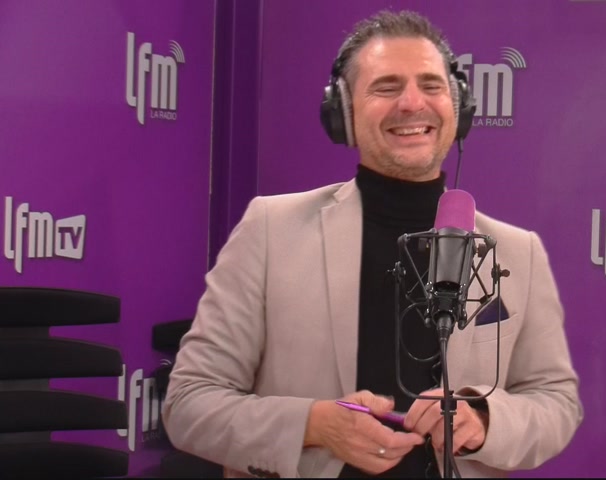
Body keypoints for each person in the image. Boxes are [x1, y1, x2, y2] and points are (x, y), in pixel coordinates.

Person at [162, 9, 582, 478]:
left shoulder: (517, 251)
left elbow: (556, 403)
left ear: (458, 105)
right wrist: (314, 426)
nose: (412, 103)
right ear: (343, 113)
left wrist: (485, 420)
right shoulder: (270, 231)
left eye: (431, 85)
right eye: (386, 87)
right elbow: (189, 403)